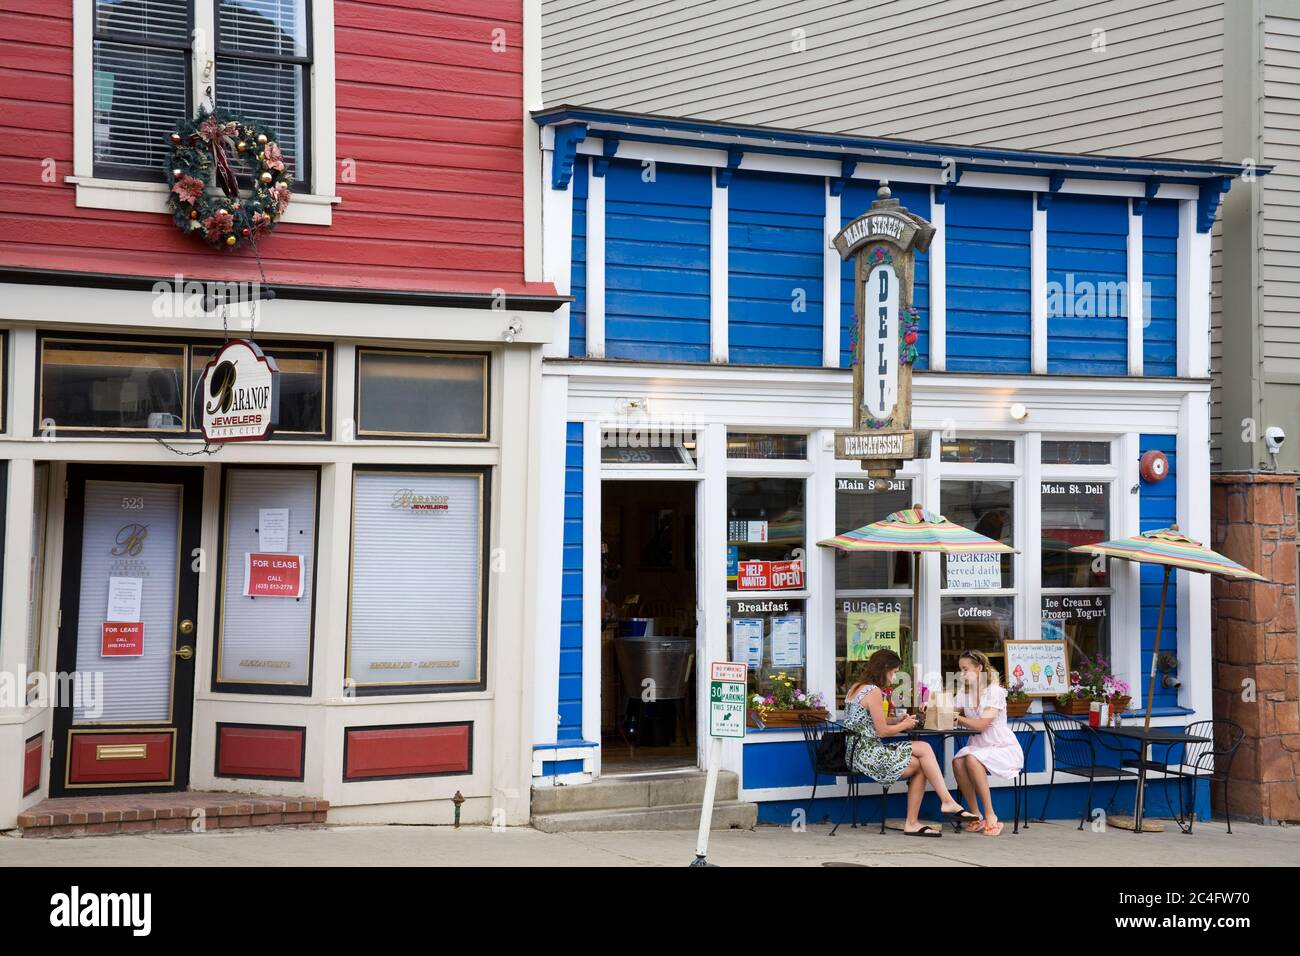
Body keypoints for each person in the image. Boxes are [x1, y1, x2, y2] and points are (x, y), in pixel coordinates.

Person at [843, 649, 976, 837]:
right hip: (868, 755)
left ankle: (919, 819)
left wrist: (898, 720)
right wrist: (904, 725)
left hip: (855, 753)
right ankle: (943, 804)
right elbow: (882, 731)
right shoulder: (873, 691)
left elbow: (871, 721)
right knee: (924, 748)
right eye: (894, 672)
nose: (894, 677)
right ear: (884, 668)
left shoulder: (856, 687)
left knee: (921, 765)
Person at [952, 649, 1025, 836]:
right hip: (979, 746)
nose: (962, 673)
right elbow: (947, 708)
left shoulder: (995, 692)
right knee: (958, 761)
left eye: (965, 669)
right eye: (960, 669)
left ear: (979, 668)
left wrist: (957, 718)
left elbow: (982, 725)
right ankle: (975, 815)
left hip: (1001, 746)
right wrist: (930, 705)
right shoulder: (964, 692)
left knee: (971, 759)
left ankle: (991, 814)